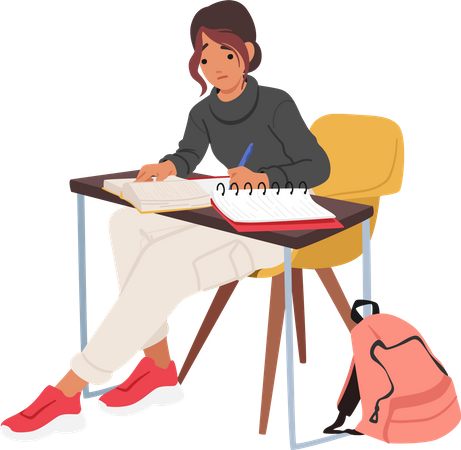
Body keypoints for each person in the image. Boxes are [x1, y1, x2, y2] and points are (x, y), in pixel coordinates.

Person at [0, 0, 330, 444]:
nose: (215, 66)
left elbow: (317, 167)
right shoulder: (204, 110)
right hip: (225, 212)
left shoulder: (276, 102)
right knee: (125, 222)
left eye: (226, 54)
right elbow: (188, 153)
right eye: (206, 55)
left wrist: (266, 177)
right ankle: (157, 365)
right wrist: (167, 167)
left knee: (165, 260)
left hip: (274, 226)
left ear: (249, 53)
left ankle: (68, 391)